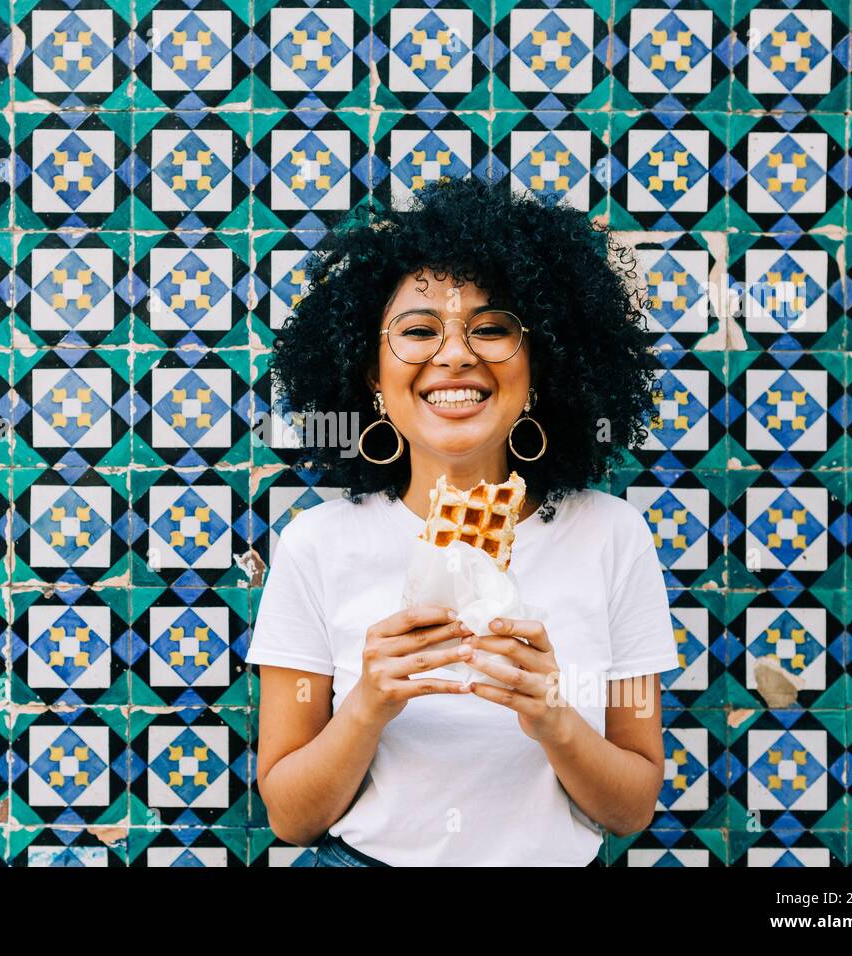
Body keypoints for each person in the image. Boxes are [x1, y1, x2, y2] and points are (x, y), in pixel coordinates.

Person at [246, 176, 679, 866]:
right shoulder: (316, 546)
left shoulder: (613, 537)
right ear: (372, 378)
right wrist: (368, 704)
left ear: (540, 369)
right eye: (418, 330)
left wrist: (553, 718)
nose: (454, 354)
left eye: (492, 328)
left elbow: (631, 808)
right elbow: (291, 819)